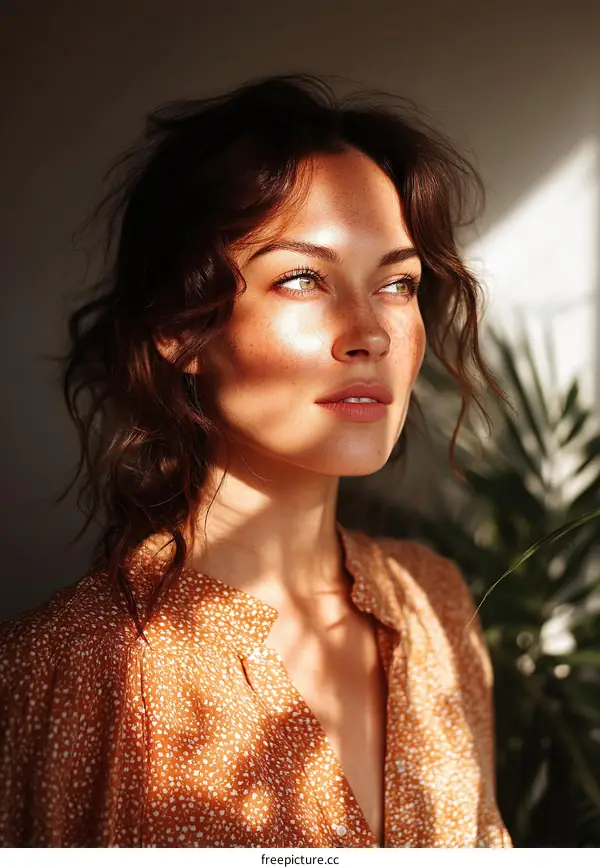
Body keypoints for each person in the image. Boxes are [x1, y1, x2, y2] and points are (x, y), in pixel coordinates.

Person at [0, 72, 511, 848]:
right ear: (178, 325)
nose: (368, 331)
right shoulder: (63, 670)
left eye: (398, 283)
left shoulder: (435, 606)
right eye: (303, 277)